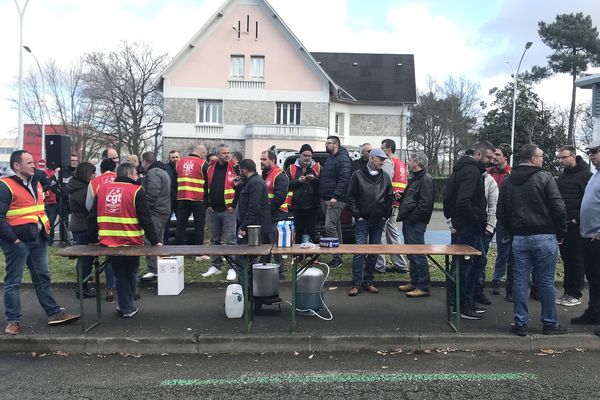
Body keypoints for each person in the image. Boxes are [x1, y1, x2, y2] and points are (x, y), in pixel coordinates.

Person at [0, 150, 80, 335]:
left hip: (37, 239)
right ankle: (13, 320)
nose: (34, 165)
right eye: (29, 163)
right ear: (17, 166)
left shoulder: (36, 183)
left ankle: (53, 313)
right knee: (13, 281)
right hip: (16, 242)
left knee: (43, 277)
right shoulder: (5, 186)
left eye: (33, 162)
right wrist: (14, 240)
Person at [497, 144, 568, 336]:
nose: (543, 159)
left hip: (520, 237)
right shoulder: (544, 178)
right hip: (545, 235)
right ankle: (550, 323)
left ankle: (520, 323)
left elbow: (501, 213)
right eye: (541, 156)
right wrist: (561, 232)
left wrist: (513, 230)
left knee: (520, 280)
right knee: (545, 281)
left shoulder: (508, 181)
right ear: (533, 159)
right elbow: (558, 207)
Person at [88, 163, 160, 318]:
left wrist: (92, 238)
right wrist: (154, 241)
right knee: (131, 272)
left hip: (110, 242)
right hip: (132, 241)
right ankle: (127, 307)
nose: (137, 177)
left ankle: (125, 305)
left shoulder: (103, 190)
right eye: (135, 175)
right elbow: (145, 218)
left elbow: (93, 216)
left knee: (120, 274)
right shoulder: (136, 191)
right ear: (129, 175)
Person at [443, 141, 495, 320]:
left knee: (477, 263)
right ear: (478, 154)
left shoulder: (463, 170)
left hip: (466, 225)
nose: (490, 161)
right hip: (469, 227)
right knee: (466, 266)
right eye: (488, 157)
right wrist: (477, 219)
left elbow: (451, 197)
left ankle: (467, 300)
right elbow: (463, 201)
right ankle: (462, 305)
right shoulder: (471, 172)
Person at [346, 147, 393, 296]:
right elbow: (350, 197)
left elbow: (389, 197)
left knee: (374, 252)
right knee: (359, 252)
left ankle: (369, 281)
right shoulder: (357, 175)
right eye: (381, 159)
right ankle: (356, 283)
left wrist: (385, 215)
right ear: (372, 158)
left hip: (378, 220)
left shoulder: (385, 177)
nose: (383, 162)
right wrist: (358, 215)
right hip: (362, 220)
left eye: (384, 160)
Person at [556, 145, 592, 307]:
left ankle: (575, 294)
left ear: (573, 156)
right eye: (559, 158)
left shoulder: (586, 176)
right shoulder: (562, 177)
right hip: (563, 225)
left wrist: (577, 218)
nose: (561, 160)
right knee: (567, 259)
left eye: (564, 157)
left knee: (576, 259)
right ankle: (567, 291)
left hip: (577, 226)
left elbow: (590, 200)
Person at [397, 152, 434, 297]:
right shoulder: (416, 178)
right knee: (412, 253)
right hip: (410, 221)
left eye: (411, 161)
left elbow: (425, 205)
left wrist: (411, 218)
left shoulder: (425, 179)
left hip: (415, 223)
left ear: (417, 162)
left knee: (418, 253)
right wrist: (402, 197)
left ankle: (423, 286)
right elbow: (414, 199)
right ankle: (415, 281)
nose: (408, 163)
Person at [572, 139, 600, 330]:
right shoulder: (595, 176)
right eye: (589, 152)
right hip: (588, 236)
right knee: (594, 278)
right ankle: (594, 312)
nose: (591, 155)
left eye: (595, 152)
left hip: (597, 237)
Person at [203, 144, 240, 281]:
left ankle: (232, 268)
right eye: (224, 153)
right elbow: (205, 186)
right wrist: (207, 204)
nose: (227, 155)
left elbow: (239, 187)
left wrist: (234, 205)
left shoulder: (235, 168)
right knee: (215, 240)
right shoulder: (211, 167)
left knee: (230, 240)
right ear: (218, 155)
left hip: (228, 210)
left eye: (229, 153)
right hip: (214, 209)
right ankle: (215, 266)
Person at [234, 159, 271, 289]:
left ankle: (245, 293)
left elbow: (253, 207)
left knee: (243, 260)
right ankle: (248, 293)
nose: (239, 173)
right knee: (249, 261)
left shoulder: (255, 183)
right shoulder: (250, 182)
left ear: (244, 170)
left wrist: (244, 227)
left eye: (240, 170)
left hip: (252, 228)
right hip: (251, 227)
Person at [86, 158, 118, 302]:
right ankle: (131, 287)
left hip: (103, 225)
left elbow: (88, 205)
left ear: (101, 169)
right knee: (128, 256)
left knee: (109, 257)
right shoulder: (121, 179)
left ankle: (110, 288)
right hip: (124, 224)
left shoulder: (94, 183)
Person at [375, 139, 408, 274]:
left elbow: (384, 183)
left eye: (382, 148)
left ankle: (379, 266)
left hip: (387, 203)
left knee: (381, 234)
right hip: (396, 203)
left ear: (388, 150)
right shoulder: (401, 163)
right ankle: (400, 264)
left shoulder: (388, 162)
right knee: (392, 233)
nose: (380, 150)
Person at [320, 135, 352, 269]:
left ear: (336, 145)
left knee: (329, 226)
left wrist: (336, 196)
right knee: (336, 227)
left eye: (328, 143)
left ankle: (336, 257)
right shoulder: (330, 159)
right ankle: (339, 254)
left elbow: (344, 178)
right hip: (327, 198)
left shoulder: (343, 159)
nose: (326, 145)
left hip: (335, 199)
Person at [488, 143, 515, 300]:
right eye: (493, 155)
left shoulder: (512, 175)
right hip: (488, 217)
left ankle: (498, 281)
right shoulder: (488, 172)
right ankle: (493, 281)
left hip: (504, 220)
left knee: (505, 252)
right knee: (482, 251)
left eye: (497, 155)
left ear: (505, 157)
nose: (494, 157)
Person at [67, 161, 97, 298]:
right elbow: (90, 208)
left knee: (86, 258)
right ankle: (82, 288)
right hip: (82, 227)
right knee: (85, 258)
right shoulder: (82, 191)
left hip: (79, 226)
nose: (95, 176)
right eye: (93, 173)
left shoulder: (77, 187)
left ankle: (83, 286)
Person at [140, 151, 171, 281]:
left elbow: (153, 192)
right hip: (163, 209)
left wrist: (145, 207)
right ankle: (160, 269)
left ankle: (154, 269)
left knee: (150, 239)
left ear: (145, 162)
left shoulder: (153, 173)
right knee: (158, 240)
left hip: (156, 211)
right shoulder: (163, 171)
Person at [260, 150, 291, 268]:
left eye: (264, 159)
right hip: (268, 215)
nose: (261, 162)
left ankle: (280, 271)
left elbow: (279, 197)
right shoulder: (267, 174)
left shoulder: (279, 175)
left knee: (276, 246)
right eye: (261, 159)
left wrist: (267, 211)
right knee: (265, 245)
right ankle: (264, 268)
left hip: (277, 215)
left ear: (272, 161)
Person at [286, 144, 320, 243]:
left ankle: (311, 256)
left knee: (311, 231)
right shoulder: (291, 168)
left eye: (309, 156)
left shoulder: (317, 168)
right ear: (300, 155)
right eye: (305, 155)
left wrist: (314, 179)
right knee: (299, 231)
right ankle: (298, 256)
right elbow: (286, 184)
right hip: (297, 206)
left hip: (313, 205)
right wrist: (298, 181)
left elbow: (322, 184)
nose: (307, 158)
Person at [175, 145, 207, 246]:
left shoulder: (179, 162)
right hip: (198, 199)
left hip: (182, 198)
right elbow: (208, 183)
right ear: (201, 153)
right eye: (204, 154)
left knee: (180, 226)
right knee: (199, 227)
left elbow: (174, 181)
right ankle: (198, 252)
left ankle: (178, 252)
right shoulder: (203, 164)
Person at [164, 150, 180, 244]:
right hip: (168, 199)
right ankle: (164, 244)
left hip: (180, 199)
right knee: (166, 223)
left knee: (181, 224)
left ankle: (181, 246)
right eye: (173, 157)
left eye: (177, 157)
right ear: (169, 158)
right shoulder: (165, 168)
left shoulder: (183, 167)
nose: (175, 159)